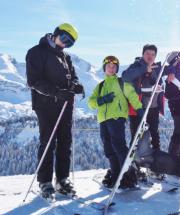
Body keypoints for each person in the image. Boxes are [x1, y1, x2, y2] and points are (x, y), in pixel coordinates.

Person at [26, 23, 84, 197]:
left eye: (70, 43)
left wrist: (76, 85)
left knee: (65, 142)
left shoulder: (66, 57)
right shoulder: (36, 52)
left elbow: (72, 76)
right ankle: (44, 182)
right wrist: (57, 92)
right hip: (46, 104)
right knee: (48, 142)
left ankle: (62, 179)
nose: (65, 44)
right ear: (55, 33)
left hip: (65, 104)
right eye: (64, 38)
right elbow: (34, 81)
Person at [88, 56, 143, 188]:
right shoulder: (100, 86)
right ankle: (116, 175)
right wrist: (101, 100)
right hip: (103, 120)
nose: (111, 69)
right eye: (108, 67)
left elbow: (132, 96)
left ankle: (128, 177)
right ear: (104, 68)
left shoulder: (121, 82)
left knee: (118, 146)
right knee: (108, 148)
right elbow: (91, 102)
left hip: (117, 117)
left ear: (117, 69)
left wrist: (140, 109)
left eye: (114, 67)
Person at [122, 44, 163, 150]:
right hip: (138, 109)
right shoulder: (136, 66)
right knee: (136, 138)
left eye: (153, 54)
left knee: (155, 137)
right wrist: (144, 69)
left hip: (153, 108)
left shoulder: (157, 68)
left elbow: (170, 69)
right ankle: (133, 164)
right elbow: (125, 76)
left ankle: (155, 164)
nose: (150, 56)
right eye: (147, 53)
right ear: (142, 54)